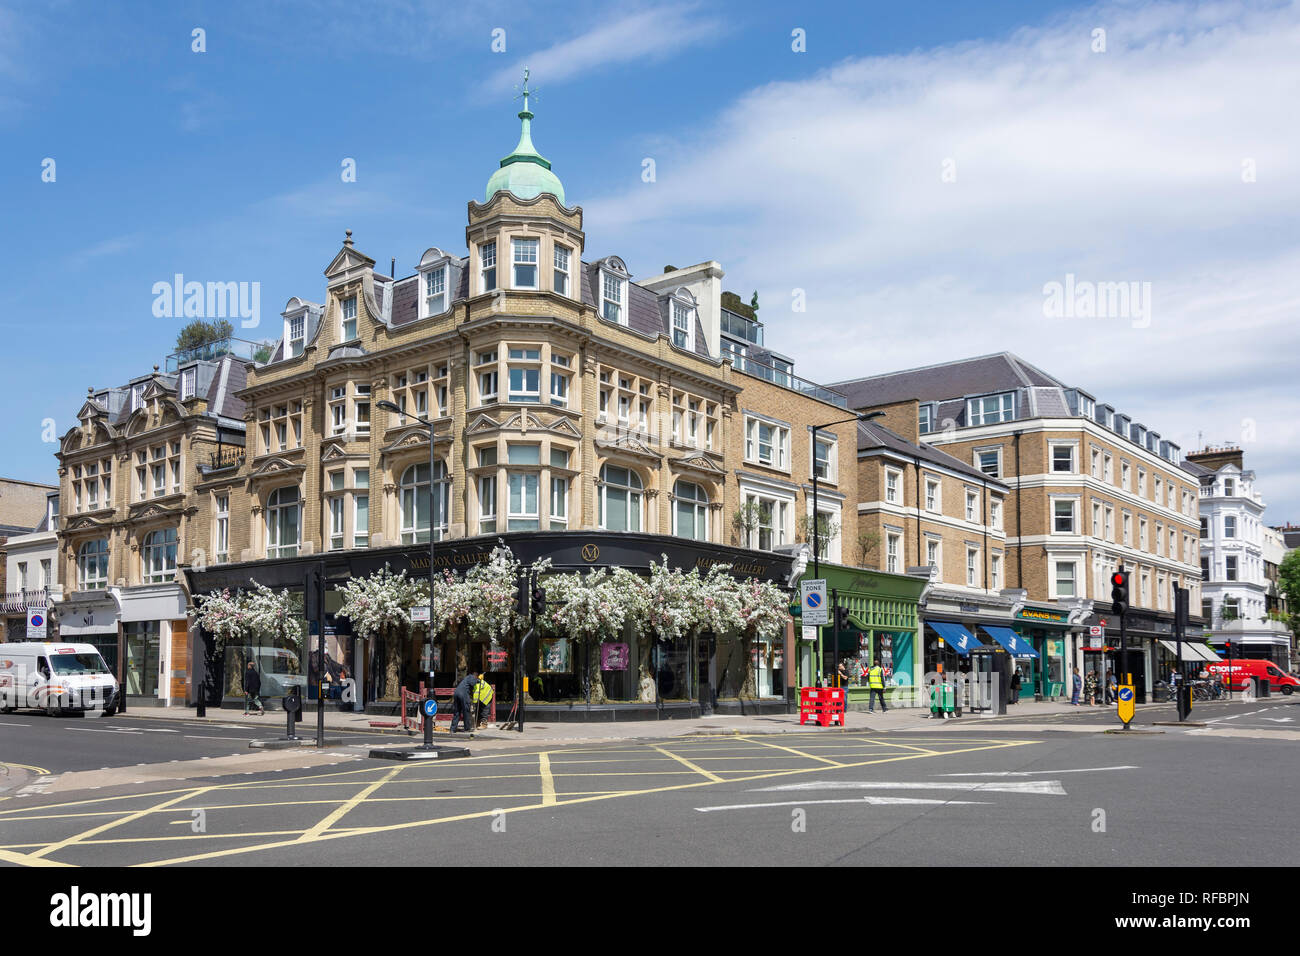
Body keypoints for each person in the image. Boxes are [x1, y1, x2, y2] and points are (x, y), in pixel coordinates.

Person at [450, 669, 478, 733]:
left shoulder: (466, 678)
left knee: (457, 712)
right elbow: (473, 683)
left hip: (456, 693)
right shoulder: (472, 677)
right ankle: (467, 728)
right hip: (463, 694)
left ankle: (452, 729)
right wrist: (478, 680)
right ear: (476, 675)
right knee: (466, 711)